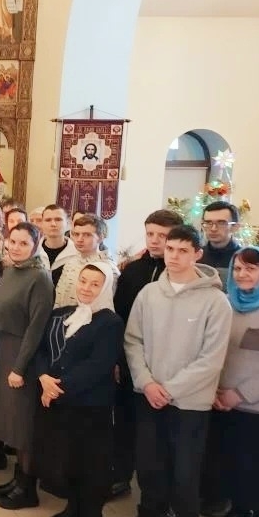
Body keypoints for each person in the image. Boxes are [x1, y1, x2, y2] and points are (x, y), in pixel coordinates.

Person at [109, 225, 232, 517]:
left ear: (197, 254)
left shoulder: (215, 302)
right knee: (149, 462)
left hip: (189, 403)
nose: (174, 256)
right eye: (170, 249)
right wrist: (147, 383)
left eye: (182, 250)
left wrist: (171, 389)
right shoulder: (149, 294)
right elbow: (133, 341)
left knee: (185, 470)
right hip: (149, 395)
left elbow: (211, 359)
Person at [33, 262, 122, 517]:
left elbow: (97, 366)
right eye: (83, 281)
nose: (86, 288)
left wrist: (56, 388)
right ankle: (73, 506)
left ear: (105, 288)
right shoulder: (63, 313)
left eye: (95, 284)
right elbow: (42, 350)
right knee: (67, 458)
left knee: (91, 462)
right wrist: (43, 377)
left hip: (90, 405)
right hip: (60, 401)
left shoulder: (110, 322)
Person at [109, 209, 183, 499]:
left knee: (158, 431)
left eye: (162, 236)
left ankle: (159, 491)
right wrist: (117, 359)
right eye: (150, 234)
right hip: (130, 358)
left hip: (165, 366)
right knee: (125, 421)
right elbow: (119, 316)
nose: (154, 240)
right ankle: (121, 475)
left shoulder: (177, 275)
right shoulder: (133, 271)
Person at [0, 222, 54, 510]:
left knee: (24, 423)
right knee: (11, 420)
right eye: (12, 241)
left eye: (23, 243)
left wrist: (19, 368)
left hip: (22, 353)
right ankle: (18, 479)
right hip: (5, 348)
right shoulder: (11, 270)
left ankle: (28, 488)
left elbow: (36, 327)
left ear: (35, 245)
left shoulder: (40, 277)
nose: (15, 247)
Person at [202, 247, 259, 517]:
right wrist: (214, 388)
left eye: (251, 269)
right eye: (237, 269)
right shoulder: (226, 304)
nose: (242, 275)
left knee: (254, 470)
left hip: (252, 407)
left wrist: (240, 393)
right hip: (222, 401)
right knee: (233, 467)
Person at [54, 214, 118, 307]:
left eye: (87, 235)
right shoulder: (71, 262)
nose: (79, 239)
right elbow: (59, 297)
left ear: (100, 238)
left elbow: (104, 305)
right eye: (76, 234)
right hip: (62, 314)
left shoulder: (108, 268)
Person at [200, 200, 241, 290]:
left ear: (235, 227)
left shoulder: (244, 258)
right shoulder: (196, 256)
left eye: (221, 223)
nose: (213, 228)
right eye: (208, 223)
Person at [39, 205, 78, 286]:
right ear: (42, 224)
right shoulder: (32, 252)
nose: (53, 224)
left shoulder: (77, 253)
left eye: (58, 219)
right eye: (48, 220)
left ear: (68, 223)